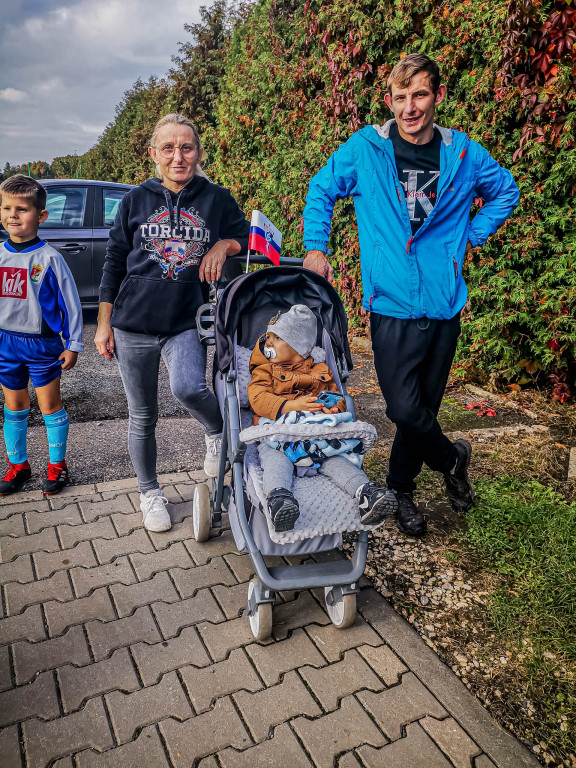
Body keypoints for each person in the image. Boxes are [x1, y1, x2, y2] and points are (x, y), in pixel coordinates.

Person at [302, 54, 519, 537]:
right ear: (389, 101)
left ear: (437, 96)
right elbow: (320, 190)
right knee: (402, 407)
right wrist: (316, 247)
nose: (410, 107)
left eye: (419, 95)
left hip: (444, 301)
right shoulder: (366, 149)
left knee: (423, 406)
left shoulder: (464, 154)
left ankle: (400, 489)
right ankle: (452, 459)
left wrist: (470, 235)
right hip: (391, 302)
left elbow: (506, 191)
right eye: (400, 98)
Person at [95, 113, 249, 533]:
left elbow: (255, 242)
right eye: (168, 148)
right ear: (154, 154)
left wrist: (223, 244)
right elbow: (113, 264)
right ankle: (149, 493)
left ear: (198, 152)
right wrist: (104, 324)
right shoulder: (134, 201)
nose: (178, 156)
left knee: (189, 387)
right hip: (132, 325)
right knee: (142, 415)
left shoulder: (216, 198)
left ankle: (215, 432)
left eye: (186, 147)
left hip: (184, 320)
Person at [248, 304, 398, 532]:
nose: (268, 342)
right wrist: (288, 405)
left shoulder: (319, 369)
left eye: (276, 338)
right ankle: (279, 500)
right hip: (279, 436)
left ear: (299, 349)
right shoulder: (265, 370)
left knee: (336, 460)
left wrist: (333, 409)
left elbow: (335, 396)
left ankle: (366, 493)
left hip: (315, 438)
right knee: (275, 460)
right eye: (268, 337)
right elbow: (257, 398)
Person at [0, 175, 83, 495]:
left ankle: (57, 467)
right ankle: (18, 466)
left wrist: (73, 344)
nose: (13, 215)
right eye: (6, 207)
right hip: (6, 343)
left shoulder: (50, 259)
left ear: (41, 216)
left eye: (21, 209)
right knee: (14, 406)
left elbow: (72, 305)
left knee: (49, 405)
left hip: (42, 345)